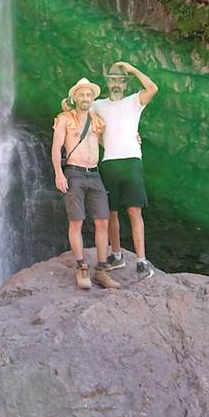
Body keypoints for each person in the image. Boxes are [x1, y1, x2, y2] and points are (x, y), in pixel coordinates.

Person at [92, 61, 158, 279]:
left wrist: (132, 69)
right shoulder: (98, 105)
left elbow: (153, 88)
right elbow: (78, 111)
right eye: (112, 79)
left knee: (134, 210)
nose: (116, 83)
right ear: (107, 82)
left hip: (131, 161)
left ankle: (141, 260)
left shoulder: (134, 101)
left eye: (120, 79)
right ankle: (117, 255)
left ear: (126, 83)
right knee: (111, 212)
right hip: (109, 161)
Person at [51, 78, 119, 291]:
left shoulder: (96, 120)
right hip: (74, 173)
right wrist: (59, 174)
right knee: (76, 222)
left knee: (102, 221)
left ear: (92, 98)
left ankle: (101, 270)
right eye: (81, 94)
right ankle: (81, 267)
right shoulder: (64, 119)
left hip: (95, 175)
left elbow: (109, 142)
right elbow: (55, 149)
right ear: (74, 97)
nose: (85, 98)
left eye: (89, 95)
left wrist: (132, 138)